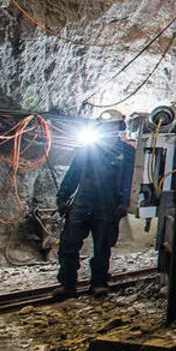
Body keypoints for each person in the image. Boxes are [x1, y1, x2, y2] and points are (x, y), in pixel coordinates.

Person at [54, 117, 135, 299]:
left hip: (107, 205)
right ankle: (68, 284)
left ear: (118, 127)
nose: (108, 129)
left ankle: (98, 283)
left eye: (112, 125)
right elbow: (73, 174)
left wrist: (125, 202)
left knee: (102, 247)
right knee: (68, 245)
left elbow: (130, 179)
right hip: (83, 202)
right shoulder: (88, 149)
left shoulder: (127, 152)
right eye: (105, 126)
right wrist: (62, 198)